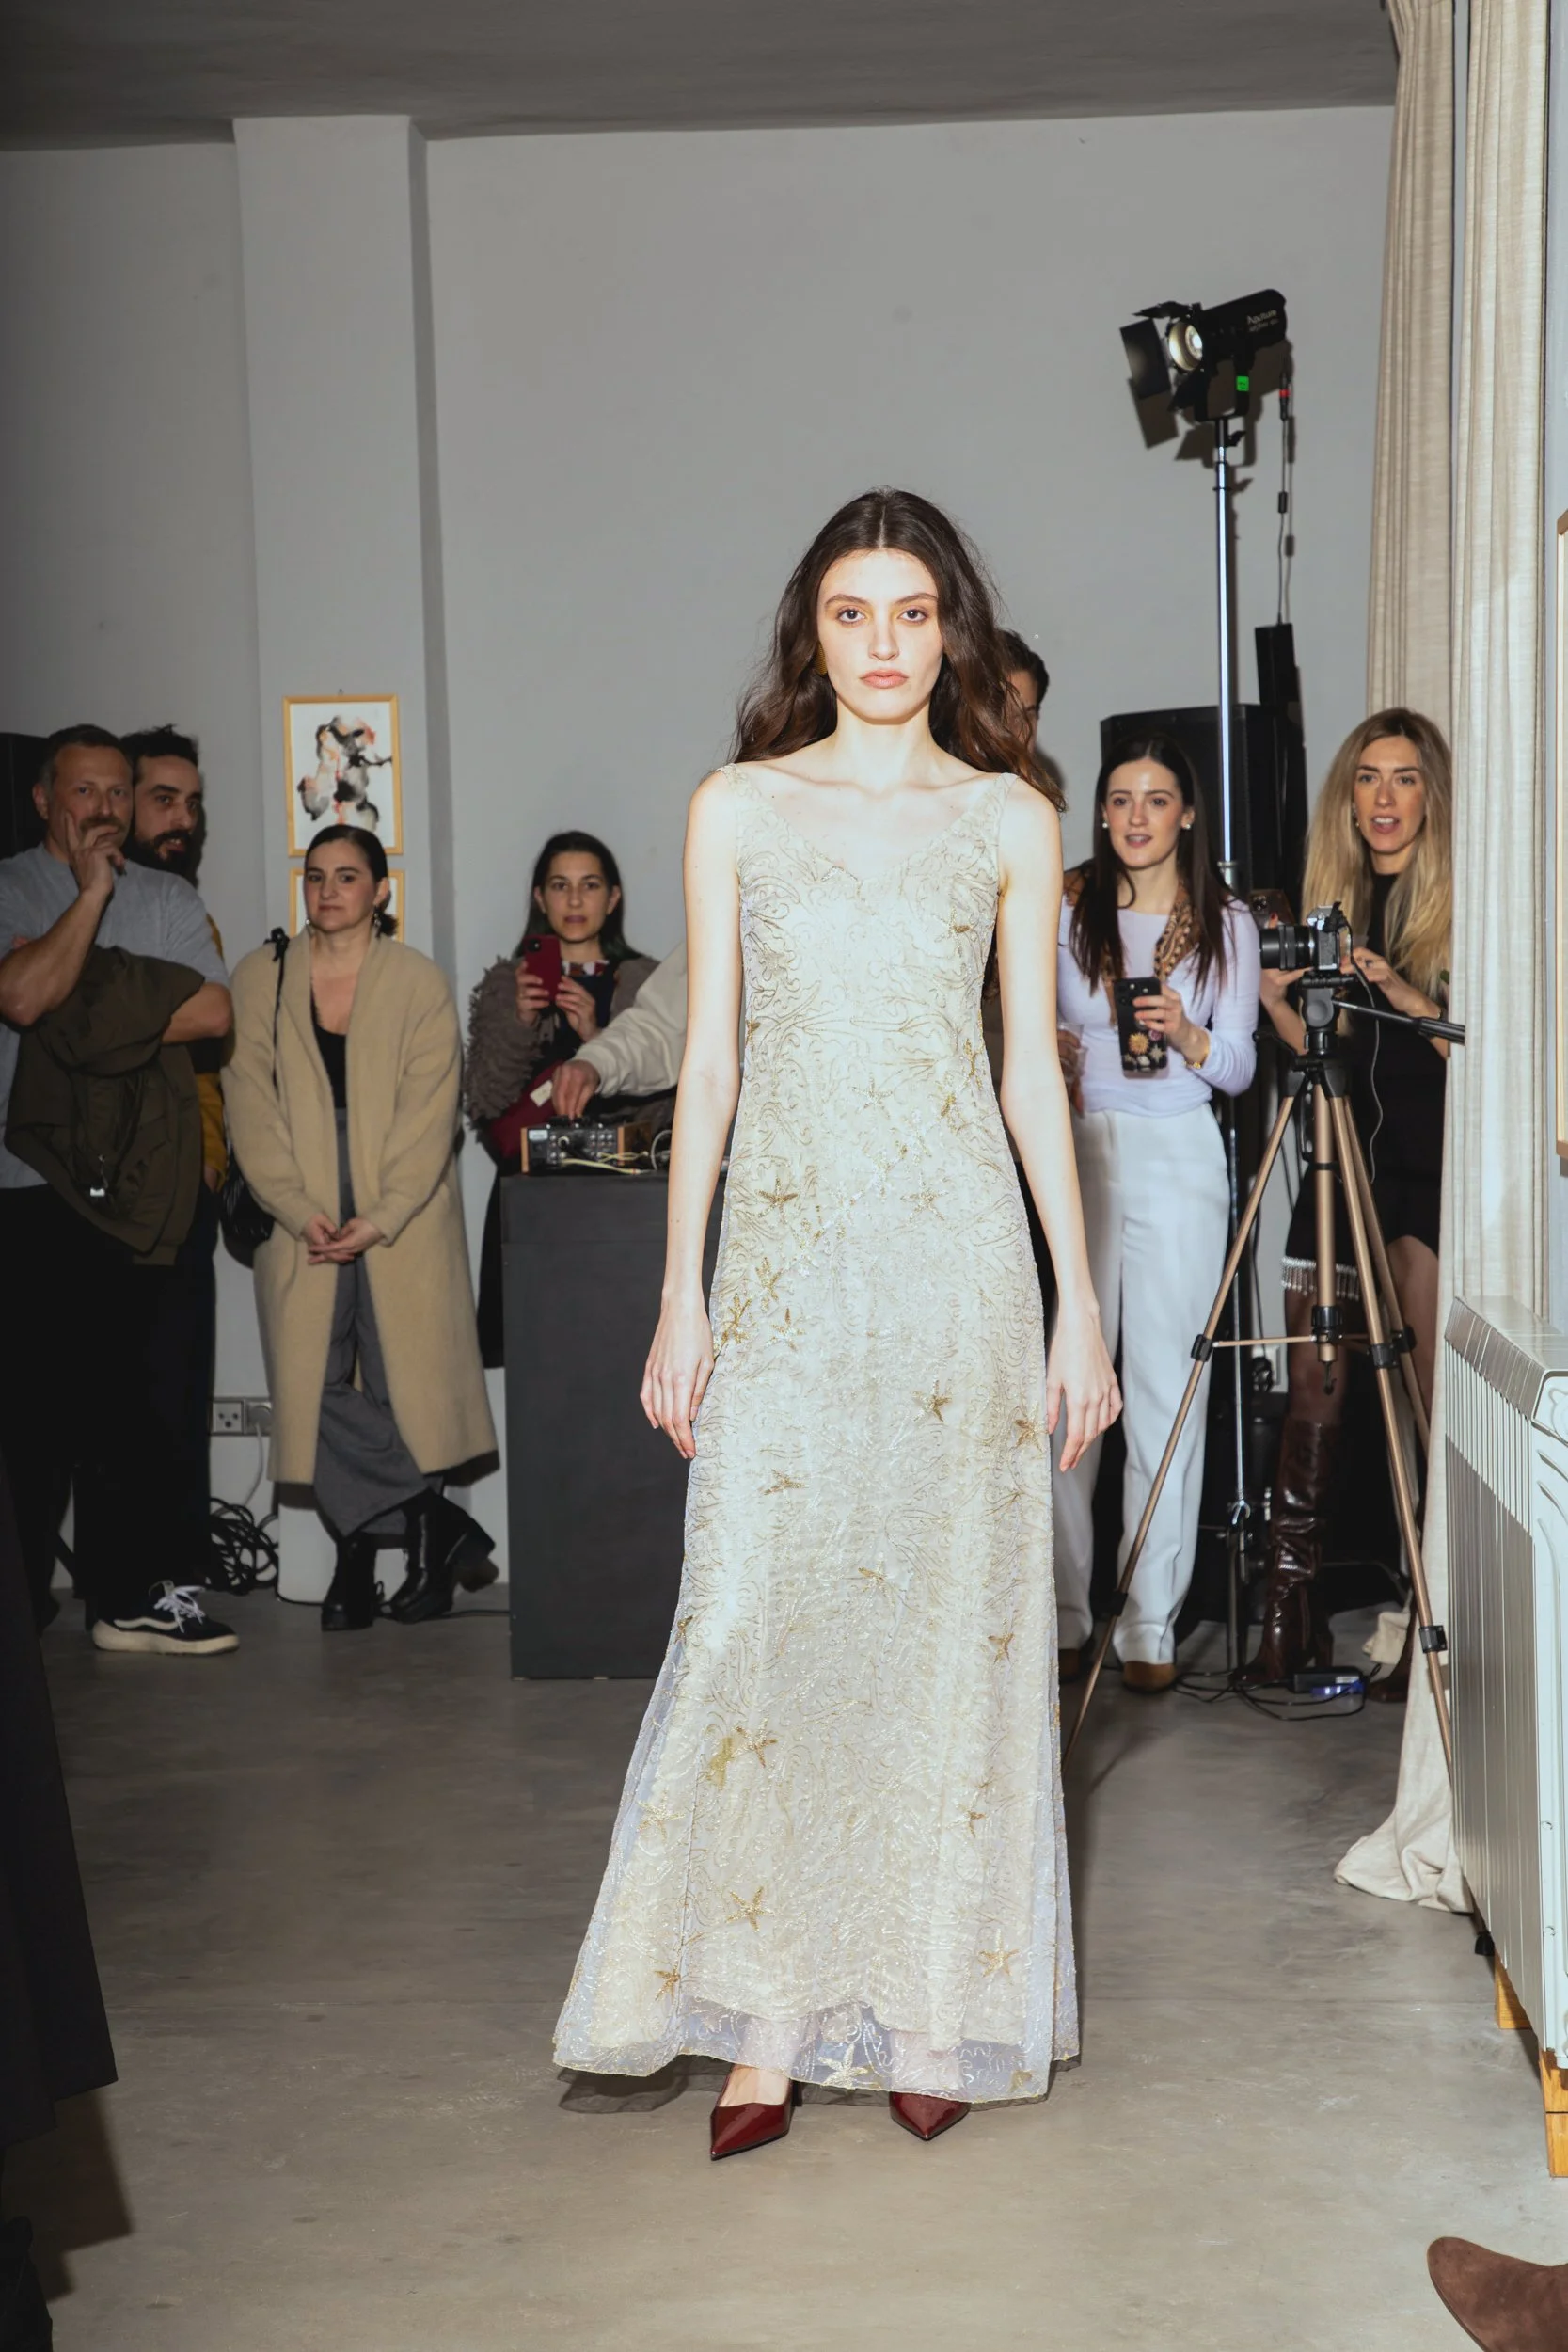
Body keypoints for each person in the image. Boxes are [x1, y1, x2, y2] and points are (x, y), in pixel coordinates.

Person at [554, 486, 1119, 2156]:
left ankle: (936, 1999)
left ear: (952, 630)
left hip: (955, 1264)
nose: (882, 646)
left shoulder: (1007, 817)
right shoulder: (735, 806)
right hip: (788, 1268)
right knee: (758, 1620)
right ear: (810, 628)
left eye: (914, 614)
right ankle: (765, 2018)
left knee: (952, 1629)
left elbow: (1029, 1073)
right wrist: (682, 1294)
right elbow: (710, 1064)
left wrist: (1076, 1309)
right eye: (851, 614)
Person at [0, 723, 237, 1655]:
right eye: (84, 791)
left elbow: (212, 1010)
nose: (101, 808)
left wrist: (76, 992)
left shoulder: (170, 898)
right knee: (31, 1416)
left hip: (136, 1196)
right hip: (25, 1189)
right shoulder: (12, 885)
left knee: (130, 1410)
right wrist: (91, 904)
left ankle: (125, 1599)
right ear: (44, 800)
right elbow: (20, 999)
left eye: (113, 791)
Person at [224, 825, 496, 1632]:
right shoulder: (261, 975)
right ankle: (423, 1525)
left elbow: (430, 1113)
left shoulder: (416, 981)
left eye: (348, 876)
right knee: (314, 1383)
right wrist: (291, 1202)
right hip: (298, 1196)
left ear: (382, 891)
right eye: (316, 876)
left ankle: (403, 1563)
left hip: (400, 1206)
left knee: (399, 1380)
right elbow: (248, 1103)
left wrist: (378, 1217)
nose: (329, 890)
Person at [1243, 710, 1451, 1688]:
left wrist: (1395, 987)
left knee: (1426, 1403)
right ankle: (1288, 1617)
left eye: (1402, 778)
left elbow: (1464, 1041)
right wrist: (1276, 998)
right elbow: (1308, 1054)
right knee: (1312, 1389)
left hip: (1422, 1169)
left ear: (1429, 795)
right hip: (1337, 1163)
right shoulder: (1325, 898)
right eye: (1365, 777)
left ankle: (1436, 1612)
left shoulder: (1456, 901)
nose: (1380, 798)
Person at [1052, 734, 1260, 1690]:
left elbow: (1241, 1067)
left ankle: (1146, 1625)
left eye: (1157, 798)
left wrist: (1186, 1031)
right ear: (1099, 811)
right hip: (1079, 1152)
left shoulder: (1224, 922)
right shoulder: (1062, 905)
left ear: (1185, 814)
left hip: (1178, 1155)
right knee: (1066, 1384)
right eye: (1120, 798)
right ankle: (1060, 1608)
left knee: (1166, 1392)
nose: (1137, 815)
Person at [465, 832, 656, 1362]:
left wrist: (600, 1042)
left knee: (619, 1359)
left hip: (616, 1205)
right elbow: (485, 1105)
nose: (574, 901)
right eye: (560, 885)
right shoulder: (509, 985)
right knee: (539, 1372)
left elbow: (660, 1113)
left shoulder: (644, 984)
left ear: (613, 898)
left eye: (589, 885)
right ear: (539, 898)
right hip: (530, 1203)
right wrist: (521, 1023)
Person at [121, 725, 227, 1600]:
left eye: (191, 804)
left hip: (187, 1186)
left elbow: (213, 1021)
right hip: (89, 1192)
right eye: (163, 799)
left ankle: (178, 1570)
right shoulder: (59, 904)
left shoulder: (188, 914)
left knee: (177, 1390)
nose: (181, 819)